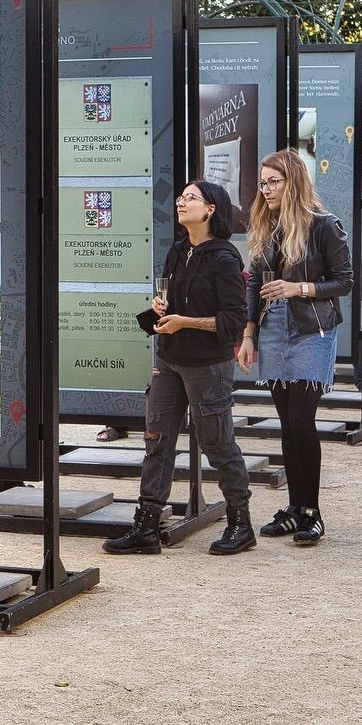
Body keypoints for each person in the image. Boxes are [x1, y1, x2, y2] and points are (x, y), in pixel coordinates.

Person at [103, 180, 255, 556]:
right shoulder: (177, 250)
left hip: (208, 366)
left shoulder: (224, 257)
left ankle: (241, 522)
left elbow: (234, 321)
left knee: (218, 444)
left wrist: (185, 321)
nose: (181, 203)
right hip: (167, 360)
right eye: (181, 197)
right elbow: (171, 301)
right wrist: (159, 307)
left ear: (210, 210)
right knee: (156, 440)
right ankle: (147, 526)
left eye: (191, 198)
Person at [237, 149, 353, 546]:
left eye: (274, 182)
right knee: (286, 422)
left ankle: (312, 512)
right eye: (262, 183)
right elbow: (254, 282)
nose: (266, 189)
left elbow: (345, 281)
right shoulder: (265, 224)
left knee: (302, 420)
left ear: (294, 182)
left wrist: (298, 288)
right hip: (271, 327)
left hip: (311, 328)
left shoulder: (324, 225)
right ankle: (294, 507)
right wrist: (249, 333)